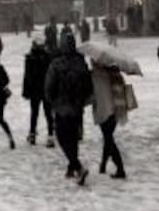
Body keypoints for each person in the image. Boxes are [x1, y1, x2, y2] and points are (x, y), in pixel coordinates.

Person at [44, 32, 91, 185]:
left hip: (61, 106)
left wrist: (52, 101)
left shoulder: (56, 64)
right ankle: (72, 167)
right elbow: (88, 84)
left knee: (62, 137)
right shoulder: (80, 62)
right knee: (73, 137)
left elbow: (49, 86)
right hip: (77, 106)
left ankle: (77, 166)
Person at [90, 60, 131, 179]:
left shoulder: (95, 76)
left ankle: (120, 169)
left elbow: (91, 95)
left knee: (108, 139)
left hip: (103, 110)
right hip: (116, 109)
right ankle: (103, 165)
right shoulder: (115, 73)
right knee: (108, 138)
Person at [22, 39, 54, 147]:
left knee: (34, 113)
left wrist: (26, 91)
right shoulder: (48, 57)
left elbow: (27, 76)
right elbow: (52, 74)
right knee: (48, 113)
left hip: (34, 90)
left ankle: (32, 134)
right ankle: (50, 136)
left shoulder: (30, 58)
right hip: (46, 89)